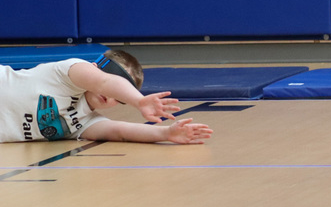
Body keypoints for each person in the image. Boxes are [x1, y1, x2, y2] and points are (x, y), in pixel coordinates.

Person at [0, 50, 212, 144]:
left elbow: (120, 131)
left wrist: (166, 133)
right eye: (117, 87)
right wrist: (138, 101)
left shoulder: (85, 123)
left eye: (117, 99)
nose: (110, 97)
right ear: (96, 68)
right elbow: (104, 83)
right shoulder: (69, 72)